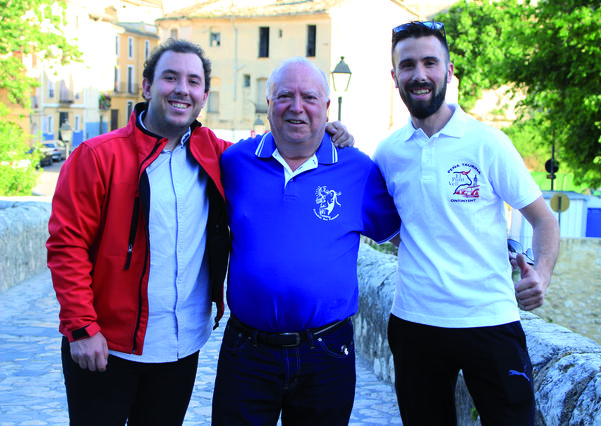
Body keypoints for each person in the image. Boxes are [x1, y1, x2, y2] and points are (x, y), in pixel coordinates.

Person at [46, 39, 352, 426]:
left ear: (204, 96)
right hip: (107, 345)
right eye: (170, 78)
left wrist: (326, 129)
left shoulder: (218, 153)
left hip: (180, 348)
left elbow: (280, 147)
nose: (181, 89)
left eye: (193, 81)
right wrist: (81, 327)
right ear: (146, 87)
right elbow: (66, 244)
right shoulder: (97, 155)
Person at [372, 21, 560, 426]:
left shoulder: (487, 142)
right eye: (407, 65)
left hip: (490, 321)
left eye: (429, 63)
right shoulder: (387, 153)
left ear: (449, 70)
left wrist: (541, 274)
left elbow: (544, 221)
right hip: (414, 324)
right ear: (394, 77)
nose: (419, 75)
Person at [211, 56, 401, 425]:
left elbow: (407, 239)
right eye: (285, 96)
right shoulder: (234, 162)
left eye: (310, 98)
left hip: (326, 354)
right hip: (247, 352)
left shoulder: (358, 170)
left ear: (327, 109)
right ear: (269, 104)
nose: (296, 107)